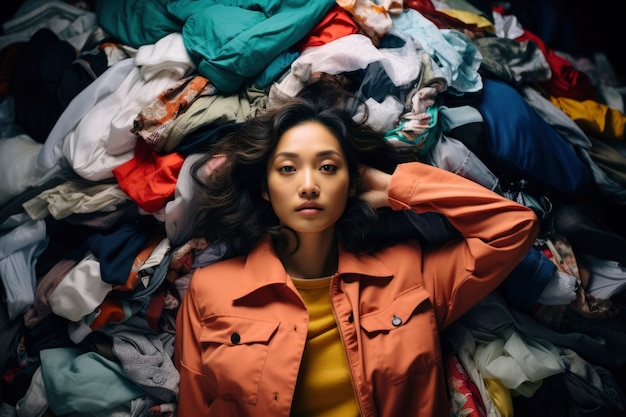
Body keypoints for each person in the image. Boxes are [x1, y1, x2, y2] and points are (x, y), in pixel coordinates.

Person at [174, 79, 540, 417]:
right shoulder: (211, 290)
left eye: (328, 167)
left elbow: (514, 228)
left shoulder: (410, 275)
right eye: (287, 169)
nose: (308, 186)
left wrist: (397, 187)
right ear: (265, 189)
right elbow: (194, 405)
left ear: (352, 183)